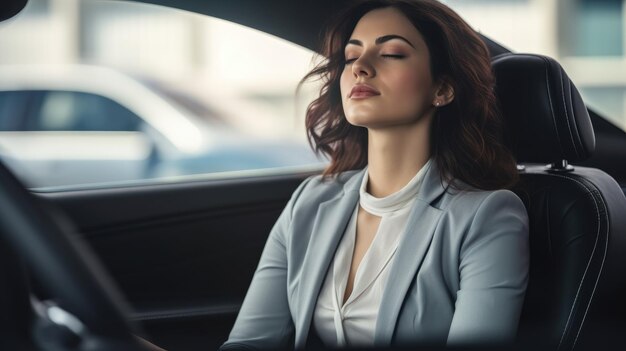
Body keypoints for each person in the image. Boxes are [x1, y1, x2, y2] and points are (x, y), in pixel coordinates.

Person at [221, 0, 529, 349]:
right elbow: (249, 343)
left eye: (392, 53)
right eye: (351, 57)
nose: (360, 68)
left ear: (442, 88)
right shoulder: (309, 202)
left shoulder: (486, 216)